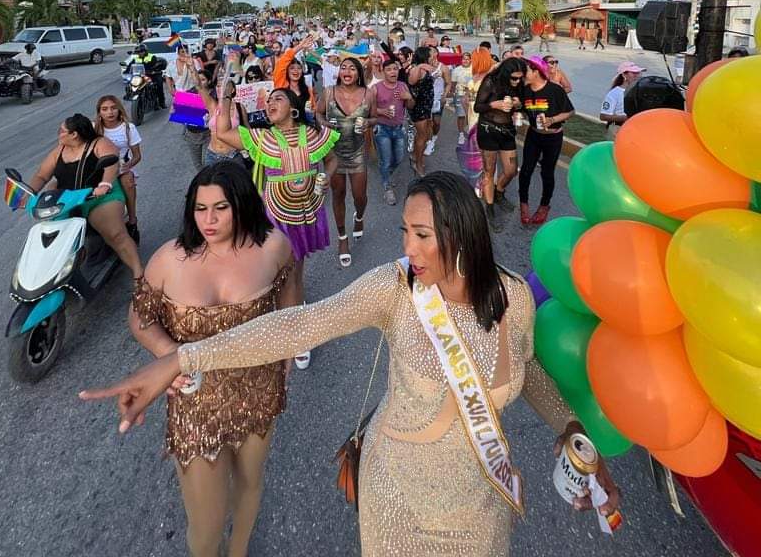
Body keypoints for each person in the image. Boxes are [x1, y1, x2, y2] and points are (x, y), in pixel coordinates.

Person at [82, 171, 621, 557]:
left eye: (422, 235)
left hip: (481, 507)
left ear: (464, 235)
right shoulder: (395, 287)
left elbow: (529, 372)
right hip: (395, 497)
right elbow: (297, 325)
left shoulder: (512, 298)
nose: (407, 248)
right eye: (404, 232)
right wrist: (179, 359)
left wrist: (573, 428)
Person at [129, 162, 296, 557]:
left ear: (242, 204)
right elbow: (139, 316)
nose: (209, 219)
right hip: (195, 402)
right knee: (206, 525)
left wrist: (289, 345)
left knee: (251, 483)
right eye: (200, 208)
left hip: (259, 389)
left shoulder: (273, 246)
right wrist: (171, 356)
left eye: (220, 208)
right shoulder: (169, 259)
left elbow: (290, 290)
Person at [216, 86, 338, 369]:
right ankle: (291, 320)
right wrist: (224, 96)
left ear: (293, 109)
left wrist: (326, 177)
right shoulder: (262, 138)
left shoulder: (311, 135)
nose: (270, 102)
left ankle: (296, 330)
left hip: (306, 211)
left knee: (294, 273)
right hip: (276, 215)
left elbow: (332, 160)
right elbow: (222, 133)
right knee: (280, 274)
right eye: (268, 99)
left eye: (277, 98)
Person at [29, 113, 142, 278]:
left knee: (115, 234)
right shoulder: (59, 150)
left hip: (97, 198)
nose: (58, 133)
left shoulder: (100, 143)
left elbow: (111, 164)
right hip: (67, 201)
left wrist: (104, 184)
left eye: (61, 130)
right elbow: (42, 175)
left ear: (74, 134)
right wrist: (27, 194)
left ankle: (140, 275)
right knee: (48, 239)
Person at [317, 58, 372, 268]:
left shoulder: (369, 94)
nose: (347, 71)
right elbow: (319, 113)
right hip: (333, 154)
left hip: (357, 153)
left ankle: (359, 216)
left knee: (360, 197)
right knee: (338, 195)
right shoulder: (329, 92)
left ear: (358, 74)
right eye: (343, 68)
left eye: (352, 68)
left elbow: (374, 117)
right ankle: (342, 239)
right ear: (339, 73)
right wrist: (324, 124)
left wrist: (368, 122)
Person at [519, 57, 574, 226]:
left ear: (536, 71)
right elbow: (521, 109)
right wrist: (517, 112)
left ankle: (544, 206)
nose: (523, 74)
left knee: (547, 172)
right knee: (526, 170)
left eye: (526, 70)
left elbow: (570, 112)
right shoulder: (525, 90)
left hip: (553, 137)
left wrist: (552, 120)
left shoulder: (554, 90)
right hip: (533, 135)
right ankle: (524, 205)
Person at [473, 58, 526, 223]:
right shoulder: (491, 81)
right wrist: (493, 105)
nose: (517, 81)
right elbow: (477, 107)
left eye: (520, 77)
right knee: (489, 171)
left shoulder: (519, 84)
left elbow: (522, 105)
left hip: (507, 131)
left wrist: (518, 104)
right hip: (488, 130)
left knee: (511, 170)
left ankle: (499, 191)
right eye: (514, 78)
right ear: (505, 74)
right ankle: (489, 207)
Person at [95, 95, 143, 243]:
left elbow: (137, 156)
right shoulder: (95, 129)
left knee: (128, 181)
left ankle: (132, 219)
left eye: (113, 108)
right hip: (99, 171)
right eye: (105, 109)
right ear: (99, 112)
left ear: (119, 110)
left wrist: (128, 166)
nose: (110, 112)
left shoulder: (128, 128)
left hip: (121, 168)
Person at [370, 56, 414, 206]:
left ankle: (385, 174)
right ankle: (387, 187)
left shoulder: (402, 86)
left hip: (399, 128)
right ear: (383, 72)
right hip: (382, 129)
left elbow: (411, 106)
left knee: (399, 158)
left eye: (395, 69)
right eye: (389, 69)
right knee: (386, 159)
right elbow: (367, 109)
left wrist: (409, 97)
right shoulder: (375, 88)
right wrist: (381, 111)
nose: (392, 72)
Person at [406, 46, 435, 176]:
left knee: (423, 135)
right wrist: (420, 66)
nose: (433, 56)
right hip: (419, 107)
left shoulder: (424, 67)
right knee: (422, 136)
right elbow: (411, 82)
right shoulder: (416, 68)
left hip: (426, 106)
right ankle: (418, 164)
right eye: (430, 55)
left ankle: (415, 156)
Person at [599, 62, 644, 139]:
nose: (637, 75)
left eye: (638, 72)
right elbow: (603, 116)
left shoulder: (641, 92)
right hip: (618, 130)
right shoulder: (614, 93)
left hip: (635, 130)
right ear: (624, 74)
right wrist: (627, 117)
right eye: (633, 72)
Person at [425, 46, 452, 158]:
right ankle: (429, 142)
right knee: (428, 121)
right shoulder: (424, 66)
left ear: (436, 53)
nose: (430, 54)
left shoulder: (443, 68)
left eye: (431, 52)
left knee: (436, 122)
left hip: (438, 99)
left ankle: (434, 137)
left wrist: (444, 96)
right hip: (426, 99)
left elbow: (449, 83)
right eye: (428, 52)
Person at [125, 44, 167, 109]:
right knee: (130, 83)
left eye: (141, 51)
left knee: (159, 85)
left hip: (152, 74)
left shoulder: (152, 57)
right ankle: (129, 94)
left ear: (145, 51)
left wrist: (153, 69)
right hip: (141, 75)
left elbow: (153, 64)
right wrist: (126, 71)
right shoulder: (136, 58)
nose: (140, 53)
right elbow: (130, 65)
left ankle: (162, 102)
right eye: (138, 52)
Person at [451, 51, 473, 144]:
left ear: (470, 60)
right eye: (464, 59)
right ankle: (461, 134)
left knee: (470, 115)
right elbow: (453, 84)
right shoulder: (456, 70)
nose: (465, 61)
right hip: (460, 94)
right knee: (461, 115)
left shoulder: (474, 69)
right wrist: (452, 94)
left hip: (472, 96)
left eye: (467, 59)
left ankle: (470, 133)